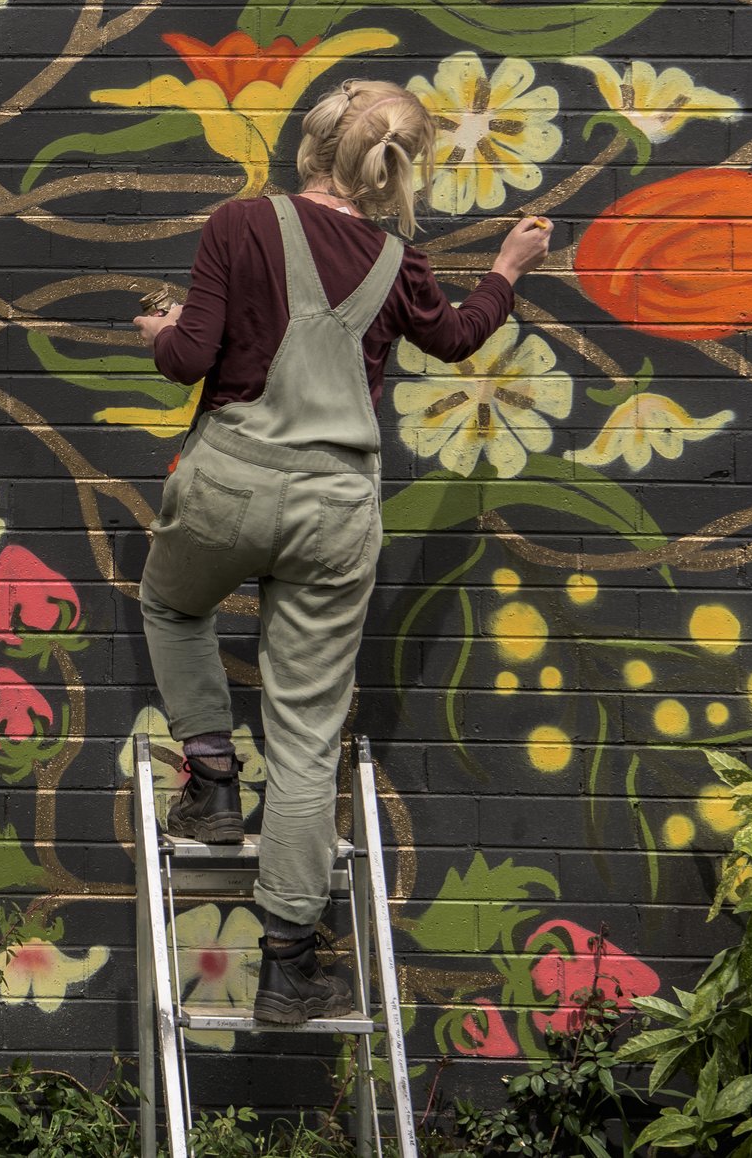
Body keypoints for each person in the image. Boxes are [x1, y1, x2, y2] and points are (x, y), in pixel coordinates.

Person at [130, 77, 553, 1025]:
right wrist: (512, 264)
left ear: (312, 141)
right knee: (308, 736)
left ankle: (209, 776)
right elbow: (455, 338)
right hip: (337, 509)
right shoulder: (397, 260)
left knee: (171, 605)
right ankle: (287, 963)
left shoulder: (240, 223)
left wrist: (159, 332)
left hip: (230, 483)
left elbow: (191, 357)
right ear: (395, 165)